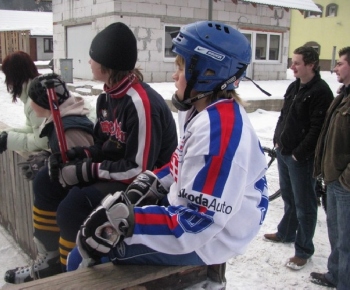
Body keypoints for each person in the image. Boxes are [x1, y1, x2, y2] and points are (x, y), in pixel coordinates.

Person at [68, 20, 268, 274]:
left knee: (86, 256)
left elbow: (198, 223)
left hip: (212, 240)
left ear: (207, 73)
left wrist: (128, 223)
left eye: (181, 68)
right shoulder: (198, 109)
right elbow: (184, 159)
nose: (174, 76)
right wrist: (154, 179)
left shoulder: (219, 134)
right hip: (197, 218)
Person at [4, 22, 178, 284]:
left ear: (107, 63)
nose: (88, 61)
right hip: (118, 174)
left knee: (73, 207)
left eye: (93, 57)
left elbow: (139, 168)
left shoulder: (140, 103)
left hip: (147, 187)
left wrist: (84, 171)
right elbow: (102, 146)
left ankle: (70, 277)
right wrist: (74, 156)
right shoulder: (106, 98)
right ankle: (50, 260)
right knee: (46, 182)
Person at [4, 73, 95, 284]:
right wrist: (49, 160)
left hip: (80, 208)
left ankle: (66, 274)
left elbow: (81, 172)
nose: (30, 104)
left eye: (33, 99)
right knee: (45, 183)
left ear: (42, 102)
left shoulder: (68, 128)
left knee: (68, 211)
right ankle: (49, 261)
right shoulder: (59, 122)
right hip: (71, 198)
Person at [264, 46, 334, 270]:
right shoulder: (294, 86)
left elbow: (317, 129)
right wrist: (277, 139)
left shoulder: (321, 92)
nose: (291, 67)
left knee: (305, 205)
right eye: (292, 62)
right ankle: (286, 232)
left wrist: (298, 153)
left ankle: (303, 250)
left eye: (297, 63)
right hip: (284, 152)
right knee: (289, 198)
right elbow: (284, 115)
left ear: (311, 65)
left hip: (300, 158)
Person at [310, 47, 350, 289]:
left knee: (346, 240)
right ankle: (336, 275)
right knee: (336, 236)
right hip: (334, 180)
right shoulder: (343, 95)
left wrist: (345, 179)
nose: (334, 68)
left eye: (340, 63)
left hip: (345, 183)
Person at [0, 51, 48, 154]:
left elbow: (43, 142)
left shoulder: (36, 100)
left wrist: (9, 140)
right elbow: (32, 129)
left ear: (15, 76)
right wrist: (7, 134)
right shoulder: (34, 92)